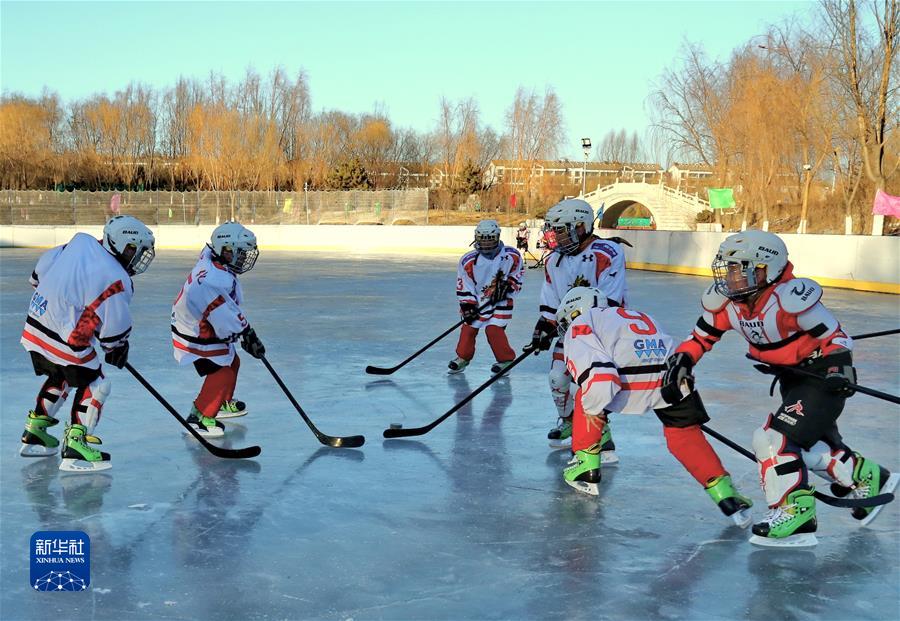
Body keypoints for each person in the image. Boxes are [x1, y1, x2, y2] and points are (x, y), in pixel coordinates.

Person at [664, 229, 897, 547]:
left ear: (766, 269)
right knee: (802, 445)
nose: (730, 278)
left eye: (739, 269)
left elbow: (836, 338)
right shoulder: (732, 305)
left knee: (773, 439)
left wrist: (839, 369)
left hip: (819, 380)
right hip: (792, 379)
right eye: (728, 269)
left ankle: (796, 512)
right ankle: (865, 475)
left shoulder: (788, 300)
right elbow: (701, 337)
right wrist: (683, 361)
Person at [554, 287, 754, 529]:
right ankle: (725, 493)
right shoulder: (631, 314)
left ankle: (585, 465)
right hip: (673, 373)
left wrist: (593, 417)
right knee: (684, 434)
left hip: (626, 375)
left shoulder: (581, 324)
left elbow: (600, 377)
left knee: (585, 391)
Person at [19, 215, 156, 472]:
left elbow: (38, 274)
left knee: (63, 373)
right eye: (132, 250)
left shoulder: (80, 243)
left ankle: (36, 430)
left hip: (35, 325)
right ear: (117, 244)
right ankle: (76, 446)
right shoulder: (116, 276)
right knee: (97, 382)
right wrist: (117, 348)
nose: (136, 257)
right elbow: (114, 327)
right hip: (63, 336)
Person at [529, 199, 629, 461]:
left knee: (585, 386)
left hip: (601, 330)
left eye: (560, 229)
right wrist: (545, 324)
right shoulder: (554, 260)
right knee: (557, 378)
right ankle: (570, 423)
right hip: (568, 330)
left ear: (581, 227)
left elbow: (609, 300)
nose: (554, 235)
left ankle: (601, 440)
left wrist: (579, 324)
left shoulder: (607, 252)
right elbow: (552, 296)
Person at [171, 221, 264, 437]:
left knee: (233, 361)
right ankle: (199, 417)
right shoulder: (214, 280)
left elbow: (225, 312)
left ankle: (222, 402)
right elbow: (224, 316)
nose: (244, 258)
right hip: (195, 332)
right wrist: (247, 334)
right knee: (221, 371)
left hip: (202, 324)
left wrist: (244, 333)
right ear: (226, 250)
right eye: (240, 253)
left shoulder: (214, 261)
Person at [450, 220, 524, 375]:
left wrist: (509, 287)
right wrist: (467, 305)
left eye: (490, 240)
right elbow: (465, 283)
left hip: (501, 302)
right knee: (468, 328)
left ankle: (505, 360)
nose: (486, 244)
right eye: (483, 240)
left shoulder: (512, 255)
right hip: (477, 301)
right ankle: (463, 357)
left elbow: (517, 274)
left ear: (497, 238)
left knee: (493, 329)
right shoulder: (468, 260)